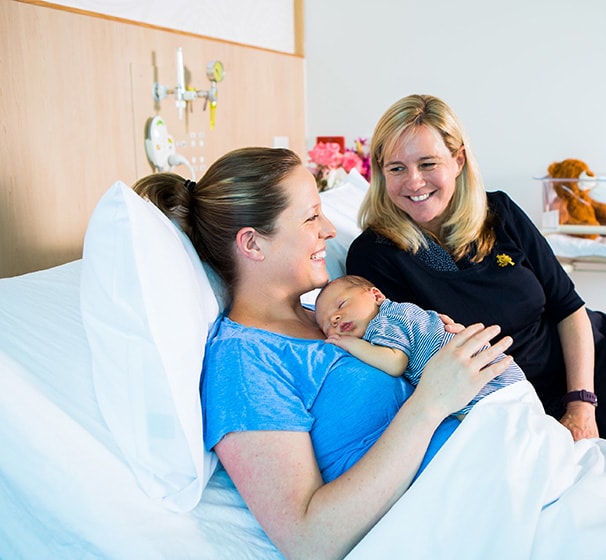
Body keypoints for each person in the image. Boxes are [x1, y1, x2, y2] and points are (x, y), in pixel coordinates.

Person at [133, 147, 515, 559]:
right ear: (253, 244)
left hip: (497, 466)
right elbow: (308, 540)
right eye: (311, 216)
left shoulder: (325, 316)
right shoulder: (244, 363)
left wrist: (431, 338)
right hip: (466, 514)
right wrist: (430, 403)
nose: (330, 229)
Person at [346, 93, 606, 448]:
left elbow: (567, 305)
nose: (414, 182)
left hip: (587, 347)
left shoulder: (498, 212)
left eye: (428, 164)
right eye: (397, 168)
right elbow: (404, 359)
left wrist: (583, 401)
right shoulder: (374, 257)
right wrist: (570, 412)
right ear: (380, 172)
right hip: (533, 392)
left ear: (458, 161)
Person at [314, 274, 526, 418]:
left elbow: (394, 362)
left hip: (486, 389)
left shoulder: (384, 321)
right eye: (327, 325)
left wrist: (349, 344)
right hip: (503, 380)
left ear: (376, 295)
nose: (335, 318)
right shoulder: (401, 313)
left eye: (341, 305)